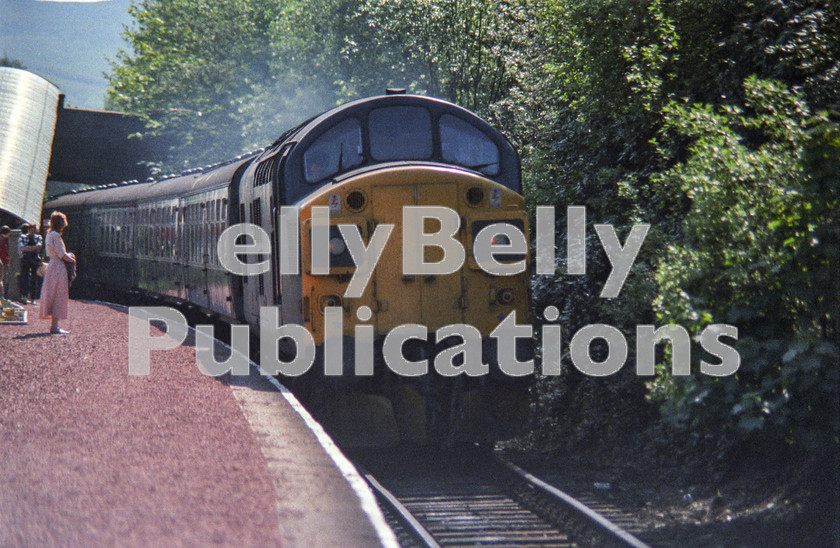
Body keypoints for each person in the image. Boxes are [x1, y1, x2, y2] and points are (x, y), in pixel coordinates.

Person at [40, 211, 75, 334]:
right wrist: (73, 260)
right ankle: (55, 326)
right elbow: (62, 254)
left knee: (52, 293)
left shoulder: (49, 235)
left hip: (52, 265)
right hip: (58, 266)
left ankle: (54, 325)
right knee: (59, 294)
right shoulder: (56, 236)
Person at [18, 222, 43, 304]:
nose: (33, 231)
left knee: (34, 279)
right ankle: (24, 296)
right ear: (28, 229)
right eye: (31, 229)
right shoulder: (23, 237)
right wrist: (34, 248)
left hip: (34, 260)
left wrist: (28, 248)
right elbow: (22, 248)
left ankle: (33, 298)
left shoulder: (38, 237)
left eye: (34, 229)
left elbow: (39, 246)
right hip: (26, 260)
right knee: (24, 277)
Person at [0, 226, 11, 299]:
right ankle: (2, 297)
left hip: (3, 261)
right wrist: (6, 260)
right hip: (3, 262)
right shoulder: (2, 240)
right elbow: (3, 252)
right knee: (3, 279)